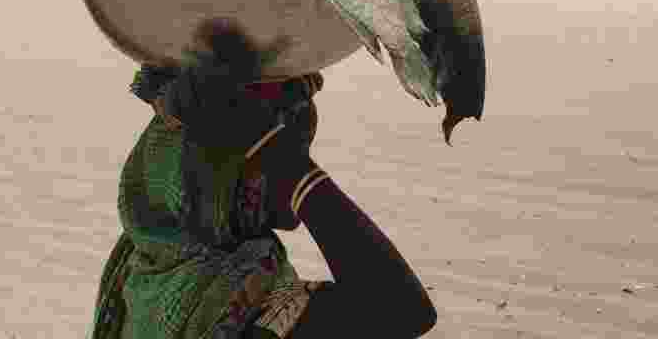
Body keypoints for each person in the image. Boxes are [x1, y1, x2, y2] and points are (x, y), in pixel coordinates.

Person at [90, 20, 437, 338]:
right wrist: (274, 148)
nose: (291, 217)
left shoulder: (137, 273)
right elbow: (403, 311)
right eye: (273, 166)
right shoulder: (247, 311)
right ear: (216, 183)